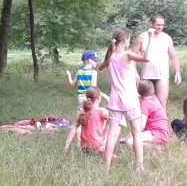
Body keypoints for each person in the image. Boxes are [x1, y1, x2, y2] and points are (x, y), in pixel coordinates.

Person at [99, 28, 152, 172]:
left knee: (111, 134)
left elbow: (100, 68)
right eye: (129, 39)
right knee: (136, 132)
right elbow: (146, 58)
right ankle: (139, 167)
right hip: (130, 99)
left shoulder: (110, 57)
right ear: (125, 40)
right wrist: (151, 38)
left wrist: (108, 56)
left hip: (115, 100)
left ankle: (106, 167)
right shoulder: (127, 55)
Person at [132, 15, 182, 109]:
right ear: (151, 24)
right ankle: (146, 118)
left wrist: (177, 72)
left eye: (162, 25)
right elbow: (132, 57)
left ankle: (162, 118)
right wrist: (134, 72)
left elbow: (173, 56)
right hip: (146, 75)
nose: (160, 27)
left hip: (162, 75)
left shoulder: (167, 38)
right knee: (145, 102)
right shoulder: (142, 37)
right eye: (158, 25)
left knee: (162, 102)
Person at [123, 80, 169, 152]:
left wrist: (125, 138)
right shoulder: (154, 98)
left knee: (129, 142)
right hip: (163, 133)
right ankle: (156, 145)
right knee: (134, 140)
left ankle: (156, 147)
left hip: (156, 133)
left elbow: (141, 126)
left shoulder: (145, 104)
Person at [63, 86, 109, 154]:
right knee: (114, 125)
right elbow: (120, 121)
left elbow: (73, 130)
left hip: (84, 148)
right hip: (97, 147)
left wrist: (65, 148)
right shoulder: (102, 111)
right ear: (99, 98)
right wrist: (106, 97)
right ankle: (105, 146)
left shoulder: (82, 112)